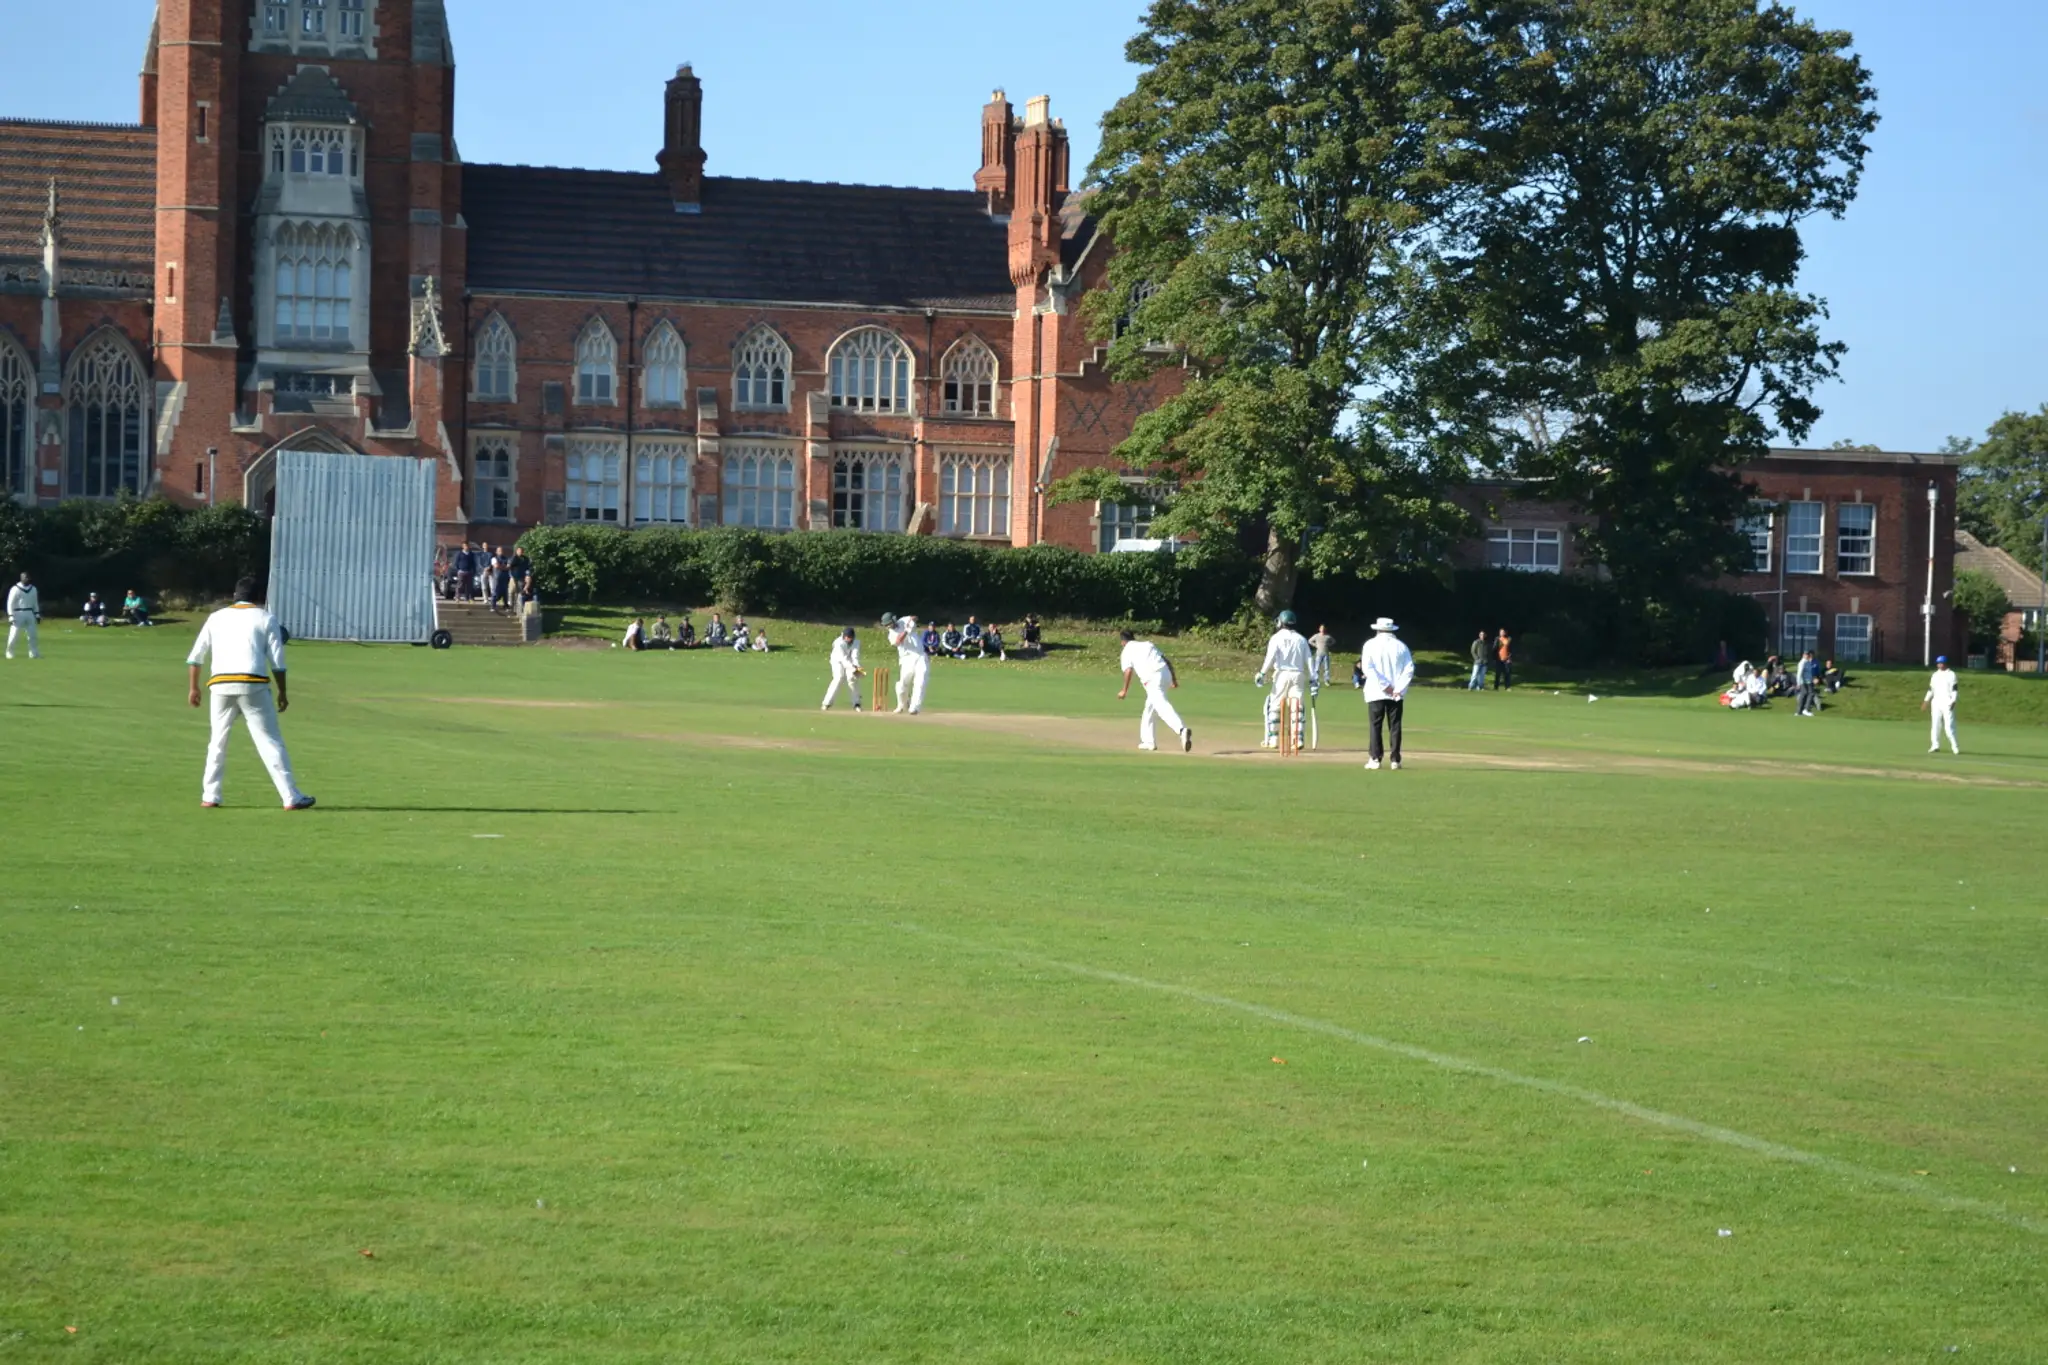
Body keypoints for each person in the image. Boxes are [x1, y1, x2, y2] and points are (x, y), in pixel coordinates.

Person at [185, 576, 314, 810]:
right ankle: (290, 796)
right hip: (253, 683)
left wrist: (193, 688)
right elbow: (278, 663)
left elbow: (195, 657)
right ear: (259, 597)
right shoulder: (266, 618)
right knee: (270, 741)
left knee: (217, 741)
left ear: (235, 595)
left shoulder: (216, 617)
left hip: (220, 685)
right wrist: (282, 692)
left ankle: (210, 795)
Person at [1117, 628, 1192, 752]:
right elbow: (1166, 661)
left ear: (1122, 642)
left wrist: (1124, 690)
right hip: (1165, 674)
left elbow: (1128, 671)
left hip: (1152, 679)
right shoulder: (1147, 644)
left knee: (1161, 706)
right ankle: (1148, 742)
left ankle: (1181, 730)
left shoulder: (1126, 651)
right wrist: (1173, 679)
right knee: (1149, 708)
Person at [1359, 615, 1415, 771]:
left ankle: (1375, 758)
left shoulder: (1370, 645)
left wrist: (1384, 686)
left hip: (1376, 691)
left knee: (1375, 725)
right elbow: (1409, 669)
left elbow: (1368, 668)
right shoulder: (1401, 646)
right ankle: (1395, 760)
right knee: (1395, 725)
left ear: (1378, 629)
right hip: (1396, 693)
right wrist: (1398, 689)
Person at [1254, 609, 1314, 750]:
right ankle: (1297, 740)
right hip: (1298, 675)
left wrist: (1262, 673)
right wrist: (1313, 678)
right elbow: (1309, 659)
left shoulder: (1276, 638)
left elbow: (1270, 658)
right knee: (1297, 707)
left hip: (1282, 675)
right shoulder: (1301, 639)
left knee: (1275, 706)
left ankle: (1274, 739)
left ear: (1281, 622)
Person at [884, 611, 930, 714]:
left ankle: (915, 707)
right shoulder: (891, 634)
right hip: (906, 659)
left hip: (920, 655)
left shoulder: (903, 620)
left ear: (893, 621)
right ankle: (901, 705)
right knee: (902, 684)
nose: (887, 626)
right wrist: (907, 630)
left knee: (920, 682)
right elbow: (898, 641)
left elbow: (914, 617)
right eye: (885, 625)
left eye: (888, 624)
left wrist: (912, 620)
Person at [1923, 655, 1960, 754]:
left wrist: (1953, 700)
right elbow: (1931, 689)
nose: (1939, 665)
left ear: (1945, 663)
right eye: (1938, 663)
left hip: (1947, 702)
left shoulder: (1951, 674)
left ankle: (1954, 746)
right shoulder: (1935, 675)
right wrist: (1926, 701)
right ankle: (1935, 745)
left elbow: (1954, 689)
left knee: (1948, 727)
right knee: (1935, 725)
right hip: (1936, 702)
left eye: (1941, 663)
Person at [823, 627, 864, 710]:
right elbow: (842, 659)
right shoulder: (838, 643)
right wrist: (853, 668)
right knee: (839, 677)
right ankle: (826, 703)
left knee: (852, 679)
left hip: (849, 660)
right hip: (837, 660)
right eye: (846, 637)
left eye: (849, 638)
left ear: (853, 637)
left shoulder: (856, 642)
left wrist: (857, 667)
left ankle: (856, 703)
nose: (847, 639)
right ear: (843, 636)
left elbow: (855, 656)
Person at [6, 572, 39, 659]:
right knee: (14, 634)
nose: (27, 579)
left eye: (28, 577)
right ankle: (10, 652)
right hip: (18, 613)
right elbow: (10, 603)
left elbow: (35, 602)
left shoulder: (33, 589)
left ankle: (33, 653)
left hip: (29, 613)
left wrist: (37, 614)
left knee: (32, 635)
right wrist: (10, 615)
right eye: (25, 577)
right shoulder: (15, 589)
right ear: (21, 578)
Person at [1794, 650, 1819, 717]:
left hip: (1809, 681)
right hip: (1804, 682)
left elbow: (1809, 673)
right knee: (1809, 693)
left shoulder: (1808, 662)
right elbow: (1799, 674)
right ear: (1803, 655)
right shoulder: (1802, 663)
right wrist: (1798, 683)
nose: (1807, 655)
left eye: (1808, 654)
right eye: (1806, 654)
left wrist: (1813, 679)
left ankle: (1799, 711)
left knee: (1805, 694)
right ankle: (1805, 710)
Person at [1309, 623, 1335, 687]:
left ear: (1325, 629)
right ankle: (1316, 680)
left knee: (1326, 668)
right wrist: (1316, 645)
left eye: (1323, 628)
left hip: (1326, 654)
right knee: (1317, 668)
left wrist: (1328, 645)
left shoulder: (1327, 636)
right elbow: (1310, 641)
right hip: (1318, 654)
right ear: (1319, 629)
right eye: (1321, 628)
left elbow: (1333, 641)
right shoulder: (1316, 636)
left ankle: (1326, 680)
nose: (1322, 629)